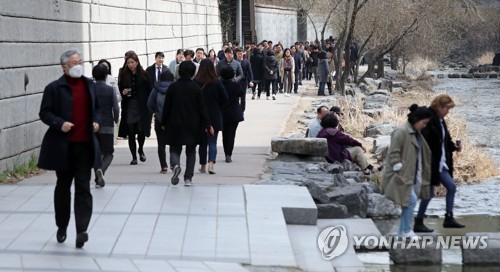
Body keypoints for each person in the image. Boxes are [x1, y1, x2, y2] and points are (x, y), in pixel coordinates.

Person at [38, 49, 101, 248]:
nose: (78, 65)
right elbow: (45, 113)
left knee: (83, 187)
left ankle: (82, 230)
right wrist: (59, 123)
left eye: (80, 61)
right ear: (64, 67)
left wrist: (97, 122)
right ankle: (62, 225)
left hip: (85, 146)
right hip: (63, 148)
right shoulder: (54, 88)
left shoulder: (89, 85)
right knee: (63, 188)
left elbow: (97, 109)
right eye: (74, 63)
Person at [415, 94, 465, 231]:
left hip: (441, 163)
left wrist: (455, 147)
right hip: (431, 163)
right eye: (447, 109)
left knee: (451, 187)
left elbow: (445, 141)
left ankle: (448, 217)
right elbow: (425, 142)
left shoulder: (441, 120)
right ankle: (418, 221)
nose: (448, 112)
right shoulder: (429, 120)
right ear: (439, 107)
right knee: (429, 193)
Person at [382, 104, 432, 239]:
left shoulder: (416, 133)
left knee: (408, 203)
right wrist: (398, 166)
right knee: (410, 201)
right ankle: (406, 231)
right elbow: (393, 152)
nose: (425, 126)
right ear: (417, 120)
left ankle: (403, 232)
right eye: (424, 123)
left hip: (408, 175)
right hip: (398, 176)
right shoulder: (401, 131)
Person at [161, 61, 214, 187]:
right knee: (191, 151)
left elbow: (166, 107)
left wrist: (163, 122)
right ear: (193, 72)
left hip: (175, 122)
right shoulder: (196, 88)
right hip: (193, 124)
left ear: (179, 72)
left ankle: (176, 166)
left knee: (174, 148)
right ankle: (188, 178)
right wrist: (208, 125)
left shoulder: (173, 87)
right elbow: (202, 109)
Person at [118, 52, 152, 165]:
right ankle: (133, 157)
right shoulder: (123, 74)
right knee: (131, 131)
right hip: (129, 105)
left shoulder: (144, 74)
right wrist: (123, 92)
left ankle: (140, 149)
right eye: (128, 62)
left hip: (141, 106)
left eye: (132, 62)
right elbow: (120, 88)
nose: (130, 64)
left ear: (137, 62)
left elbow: (150, 90)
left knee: (141, 131)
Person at [194, 59, 228, 174]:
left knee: (202, 143)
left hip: (200, 116)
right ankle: (211, 165)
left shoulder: (196, 81)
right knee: (213, 141)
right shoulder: (216, 82)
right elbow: (225, 98)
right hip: (215, 114)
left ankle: (202, 166)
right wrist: (219, 107)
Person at [93, 64, 119, 188]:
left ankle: (98, 178)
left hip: (92, 126)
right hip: (107, 125)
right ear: (106, 76)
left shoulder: (90, 89)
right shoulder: (110, 89)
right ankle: (101, 171)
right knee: (108, 153)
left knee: (96, 153)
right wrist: (116, 119)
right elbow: (116, 107)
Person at [147, 69, 175, 174]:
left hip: (159, 119)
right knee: (173, 143)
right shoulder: (174, 88)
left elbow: (149, 104)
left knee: (161, 143)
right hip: (172, 120)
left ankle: (163, 166)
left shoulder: (156, 89)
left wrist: (156, 111)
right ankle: (174, 164)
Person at [220, 66, 246, 163]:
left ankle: (226, 152)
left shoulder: (219, 85)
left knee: (224, 135)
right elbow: (241, 93)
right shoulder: (235, 85)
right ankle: (229, 154)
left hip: (222, 113)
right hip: (234, 113)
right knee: (231, 134)